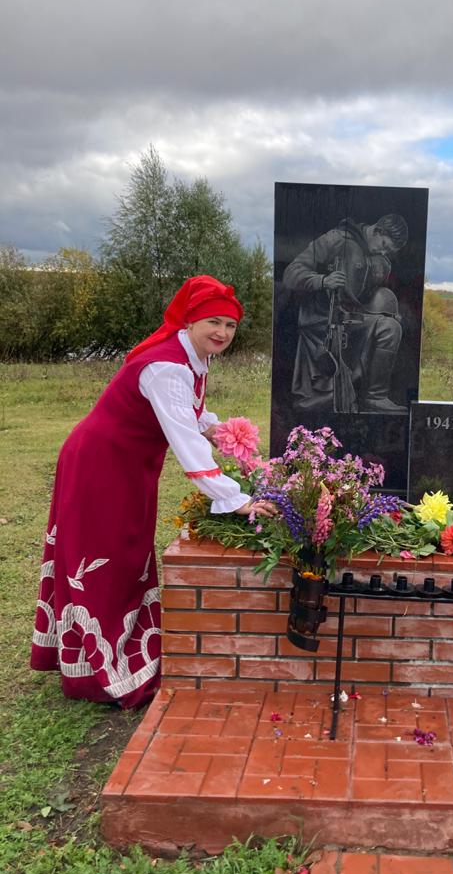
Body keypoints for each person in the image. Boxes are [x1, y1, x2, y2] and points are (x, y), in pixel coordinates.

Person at [29, 275, 274, 709]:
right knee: (103, 557)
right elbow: (185, 441)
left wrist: (221, 431)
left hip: (126, 465)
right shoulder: (167, 367)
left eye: (230, 325)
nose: (222, 332)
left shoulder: (190, 358)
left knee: (127, 552)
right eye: (213, 322)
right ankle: (98, 672)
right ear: (190, 321)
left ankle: (120, 649)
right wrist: (234, 497)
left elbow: (190, 414)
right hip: (102, 465)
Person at [282, 213, 409, 413]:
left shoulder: (382, 263)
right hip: (322, 320)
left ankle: (375, 397)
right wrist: (323, 281)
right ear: (378, 230)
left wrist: (389, 311)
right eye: (384, 245)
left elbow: (370, 296)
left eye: (389, 251)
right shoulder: (336, 239)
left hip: (355, 318)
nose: (383, 252)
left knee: (391, 327)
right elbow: (291, 273)